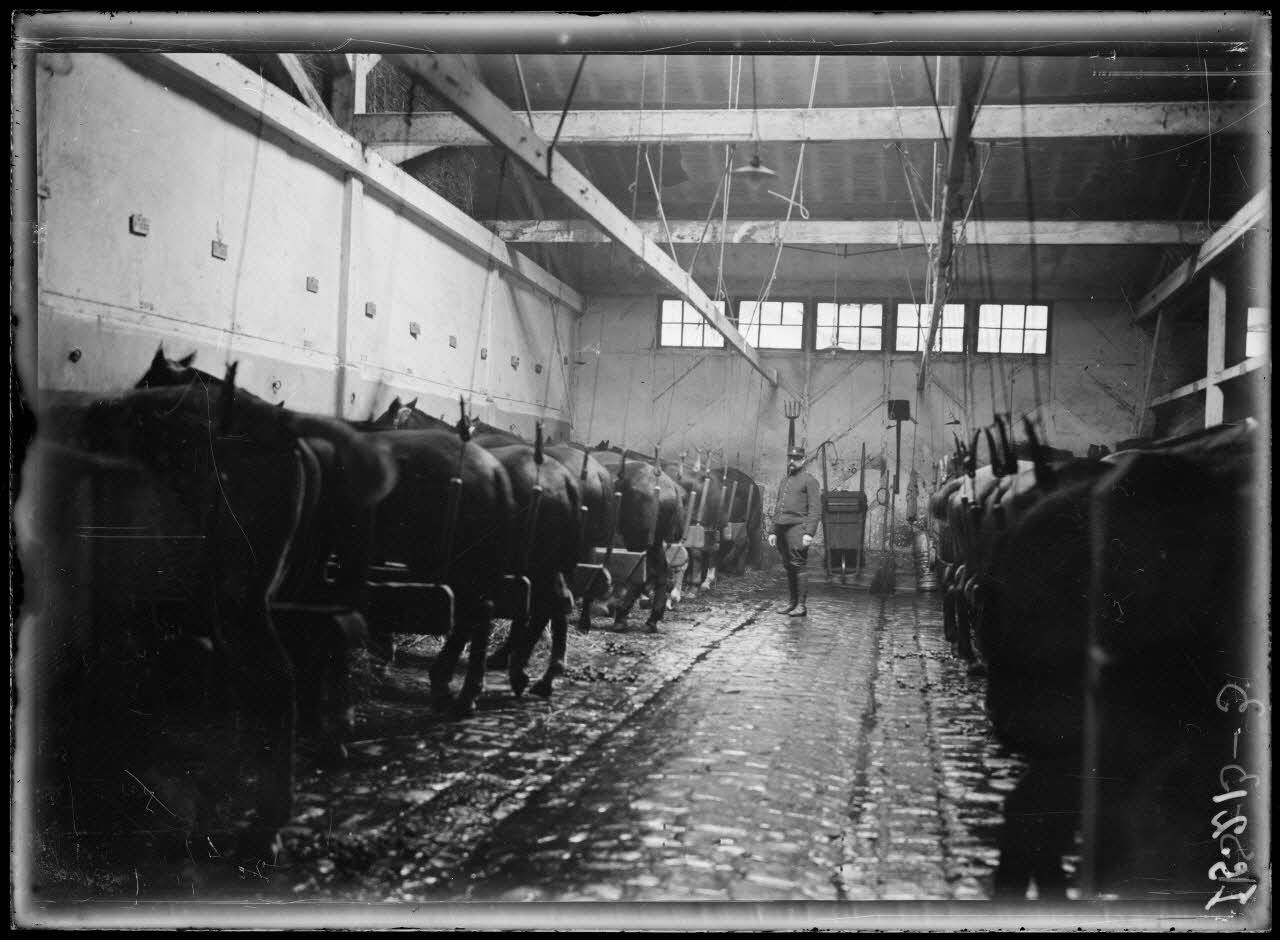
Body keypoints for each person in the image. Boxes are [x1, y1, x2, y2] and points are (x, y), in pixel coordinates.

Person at [767, 445, 822, 616]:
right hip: (782, 528)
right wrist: (772, 531)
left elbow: (815, 509)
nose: (792, 461)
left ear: (803, 460)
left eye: (796, 458)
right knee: (789, 566)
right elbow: (778, 507)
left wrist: (809, 533)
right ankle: (792, 603)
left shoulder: (809, 480)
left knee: (798, 564)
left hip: (798, 528)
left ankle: (801, 606)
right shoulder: (785, 481)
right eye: (790, 458)